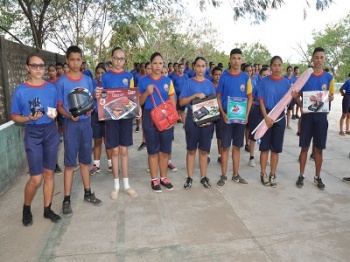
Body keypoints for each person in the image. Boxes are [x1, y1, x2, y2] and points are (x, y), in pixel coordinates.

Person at [11, 54, 61, 226]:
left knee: (49, 173)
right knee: (36, 178)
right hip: (32, 132)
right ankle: (26, 207)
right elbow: (15, 117)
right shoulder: (21, 91)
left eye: (41, 66)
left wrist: (52, 114)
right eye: (34, 66)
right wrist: (29, 119)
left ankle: (48, 209)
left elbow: (53, 109)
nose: (39, 69)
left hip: (50, 131)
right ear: (27, 68)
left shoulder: (51, 88)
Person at [57, 45, 102, 216]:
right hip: (71, 125)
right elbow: (59, 105)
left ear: (82, 60)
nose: (76, 63)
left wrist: (90, 109)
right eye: (72, 60)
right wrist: (68, 115)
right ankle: (66, 199)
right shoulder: (62, 81)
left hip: (85, 124)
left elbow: (89, 101)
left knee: (85, 161)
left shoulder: (87, 80)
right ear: (67, 61)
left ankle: (88, 192)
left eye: (78, 59)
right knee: (70, 164)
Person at [97, 47, 139, 200]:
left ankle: (127, 185)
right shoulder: (106, 77)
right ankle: (116, 186)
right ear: (111, 58)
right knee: (114, 151)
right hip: (111, 118)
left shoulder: (129, 76)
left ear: (124, 60)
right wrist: (98, 96)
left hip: (126, 118)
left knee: (124, 151)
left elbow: (134, 96)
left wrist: (137, 110)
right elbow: (102, 97)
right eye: (116, 58)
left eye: (121, 59)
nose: (118, 61)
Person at [294, 47, 334, 190]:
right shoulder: (305, 77)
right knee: (304, 148)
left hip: (321, 118)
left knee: (319, 149)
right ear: (312, 59)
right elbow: (296, 95)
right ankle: (301, 175)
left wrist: (330, 97)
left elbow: (331, 95)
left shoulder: (329, 78)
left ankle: (317, 176)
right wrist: (301, 107)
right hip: (307, 118)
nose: (318, 60)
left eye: (321, 57)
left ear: (324, 59)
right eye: (316, 57)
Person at [138, 52, 176, 192]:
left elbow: (172, 101)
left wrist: (173, 118)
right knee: (153, 151)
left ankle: (163, 178)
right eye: (155, 63)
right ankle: (154, 180)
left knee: (165, 150)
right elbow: (139, 102)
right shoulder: (143, 81)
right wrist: (146, 93)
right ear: (150, 64)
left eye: (160, 63)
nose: (158, 66)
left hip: (166, 116)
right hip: (150, 117)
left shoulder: (168, 81)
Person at [216, 48, 253, 187]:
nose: (236, 61)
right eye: (234, 58)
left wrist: (247, 114)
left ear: (241, 60)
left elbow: (250, 97)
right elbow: (218, 97)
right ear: (230, 60)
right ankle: (223, 175)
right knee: (225, 147)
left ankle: (236, 175)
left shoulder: (246, 78)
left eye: (239, 58)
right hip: (227, 116)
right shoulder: (224, 77)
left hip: (241, 116)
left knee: (237, 146)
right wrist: (223, 113)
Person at [179, 57, 216, 189]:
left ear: (206, 68)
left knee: (204, 151)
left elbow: (214, 105)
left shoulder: (209, 84)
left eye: (203, 66)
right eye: (198, 66)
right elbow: (182, 102)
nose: (201, 69)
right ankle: (189, 177)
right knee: (191, 150)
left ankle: (203, 177)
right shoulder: (188, 83)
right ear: (194, 67)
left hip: (206, 122)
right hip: (192, 119)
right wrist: (194, 96)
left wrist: (209, 120)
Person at [258, 56, 291, 187]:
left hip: (280, 118)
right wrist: (265, 117)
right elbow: (260, 100)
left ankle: (272, 174)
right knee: (264, 147)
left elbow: (287, 101)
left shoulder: (286, 83)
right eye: (274, 65)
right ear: (270, 67)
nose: (277, 68)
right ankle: (263, 173)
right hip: (266, 116)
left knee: (276, 149)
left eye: (279, 65)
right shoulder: (264, 82)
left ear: (282, 66)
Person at [90, 64, 113, 175]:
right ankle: (96, 164)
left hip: (107, 115)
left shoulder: (108, 83)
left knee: (108, 141)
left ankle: (110, 164)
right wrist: (93, 96)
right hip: (95, 115)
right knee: (97, 140)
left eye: (102, 73)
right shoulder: (92, 83)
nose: (100, 75)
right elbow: (88, 97)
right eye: (98, 73)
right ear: (95, 73)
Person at [247, 67, 269, 168]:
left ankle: (264, 157)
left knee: (265, 135)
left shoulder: (271, 87)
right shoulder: (257, 86)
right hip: (257, 111)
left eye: (268, 75)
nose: (266, 77)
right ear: (260, 76)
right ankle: (251, 157)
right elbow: (251, 99)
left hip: (268, 112)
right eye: (264, 75)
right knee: (254, 135)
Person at [47, 64, 63, 175]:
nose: (52, 72)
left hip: (61, 110)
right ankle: (54, 164)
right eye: (50, 71)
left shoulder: (60, 81)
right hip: (51, 111)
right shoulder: (46, 83)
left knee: (59, 137)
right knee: (53, 139)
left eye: (54, 70)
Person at [211, 66, 223, 163]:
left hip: (220, 113)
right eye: (216, 74)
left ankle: (220, 155)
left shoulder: (224, 86)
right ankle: (207, 155)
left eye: (220, 74)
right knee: (209, 135)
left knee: (220, 136)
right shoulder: (209, 85)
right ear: (212, 75)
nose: (218, 76)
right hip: (210, 113)